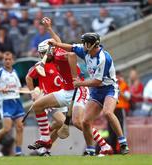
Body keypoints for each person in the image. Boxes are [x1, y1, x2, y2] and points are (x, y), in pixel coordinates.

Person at [28, 17, 113, 156]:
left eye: (43, 54)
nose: (42, 56)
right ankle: (45, 139)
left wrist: (74, 78)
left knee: (79, 122)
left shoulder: (59, 55)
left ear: (49, 52)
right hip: (66, 91)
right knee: (37, 105)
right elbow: (57, 41)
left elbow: (72, 55)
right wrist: (49, 28)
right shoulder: (54, 53)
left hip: (79, 90)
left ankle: (105, 146)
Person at [48, 31, 129, 155]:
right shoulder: (86, 50)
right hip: (96, 92)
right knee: (85, 122)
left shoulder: (103, 58)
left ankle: (123, 143)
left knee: (108, 112)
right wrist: (56, 43)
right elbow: (70, 47)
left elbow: (97, 81)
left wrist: (79, 83)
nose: (83, 45)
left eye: (85, 43)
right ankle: (91, 150)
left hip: (109, 89)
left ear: (92, 44)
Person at [26, 39, 67, 156]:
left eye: (45, 52)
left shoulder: (58, 62)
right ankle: (44, 138)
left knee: (60, 126)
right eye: (41, 53)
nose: (42, 55)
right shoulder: (40, 66)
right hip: (49, 99)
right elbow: (29, 78)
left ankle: (45, 148)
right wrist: (33, 92)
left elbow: (59, 44)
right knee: (62, 122)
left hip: (62, 97)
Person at [0, 51, 25, 156]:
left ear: (12, 61)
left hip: (16, 102)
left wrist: (25, 90)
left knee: (20, 127)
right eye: (5, 59)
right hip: (5, 102)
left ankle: (18, 152)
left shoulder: (15, 72)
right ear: (3, 60)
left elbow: (18, 88)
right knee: (7, 128)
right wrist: (0, 89)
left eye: (9, 59)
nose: (7, 61)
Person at [107, 71, 130, 154]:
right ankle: (112, 150)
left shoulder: (124, 85)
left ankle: (122, 148)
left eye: (118, 76)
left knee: (122, 129)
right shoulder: (110, 84)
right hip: (111, 110)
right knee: (111, 130)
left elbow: (128, 97)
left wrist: (120, 91)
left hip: (120, 109)